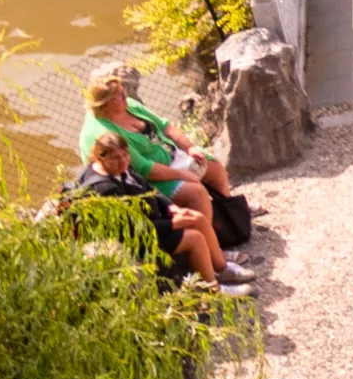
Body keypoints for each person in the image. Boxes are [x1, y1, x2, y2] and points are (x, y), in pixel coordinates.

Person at [69, 127, 241, 290]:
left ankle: (222, 268)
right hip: (136, 238)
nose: (123, 161)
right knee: (194, 238)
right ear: (100, 158)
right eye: (116, 158)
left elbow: (150, 189)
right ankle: (213, 288)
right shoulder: (105, 188)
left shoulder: (120, 168)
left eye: (125, 155)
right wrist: (173, 225)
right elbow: (130, 229)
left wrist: (172, 207)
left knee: (198, 218)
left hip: (153, 221)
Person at [88, 65, 236, 230]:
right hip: (154, 178)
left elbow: (165, 127)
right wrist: (182, 174)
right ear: (104, 104)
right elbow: (143, 168)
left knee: (213, 165)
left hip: (174, 156)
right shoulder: (108, 132)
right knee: (197, 193)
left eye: (123, 92)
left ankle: (231, 213)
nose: (124, 97)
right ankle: (214, 244)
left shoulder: (130, 105)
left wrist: (190, 148)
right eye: (118, 97)